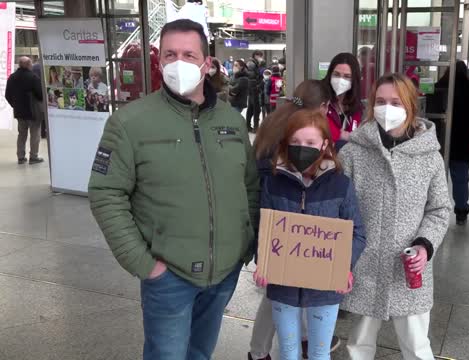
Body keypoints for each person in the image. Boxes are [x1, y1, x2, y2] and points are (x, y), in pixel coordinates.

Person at [88, 19, 260, 360]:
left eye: (189, 54)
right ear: (160, 61)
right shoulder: (129, 122)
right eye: (170, 54)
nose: (178, 62)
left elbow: (250, 186)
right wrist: (144, 262)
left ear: (207, 64)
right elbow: (105, 193)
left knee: (200, 354)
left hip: (224, 272)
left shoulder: (231, 121)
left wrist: (245, 245)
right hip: (169, 277)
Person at [339, 74, 451, 359]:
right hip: (365, 266)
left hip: (409, 269)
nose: (386, 109)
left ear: (411, 106)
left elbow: (439, 209)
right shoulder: (354, 153)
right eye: (379, 102)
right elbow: (340, 208)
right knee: (358, 344)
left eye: (395, 102)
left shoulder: (429, 156)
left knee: (416, 345)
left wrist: (425, 246)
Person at [254, 109, 367, 360]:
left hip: (325, 287)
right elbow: (264, 228)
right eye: (295, 142)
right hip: (283, 285)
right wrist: (262, 262)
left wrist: (344, 265)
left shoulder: (341, 184)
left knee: (318, 352)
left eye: (310, 143)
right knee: (288, 351)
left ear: (325, 144)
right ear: (285, 144)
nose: (302, 148)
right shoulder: (273, 183)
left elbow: (357, 232)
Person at [249, 80, 338, 360]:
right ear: (323, 107)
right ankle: (259, 350)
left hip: (269, 215)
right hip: (281, 218)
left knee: (282, 290)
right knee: (277, 292)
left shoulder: (276, 119)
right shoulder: (295, 130)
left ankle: (290, 341)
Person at [436, 60, 469, 225]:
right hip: (462, 141)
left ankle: (434, 212)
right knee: (461, 179)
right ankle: (461, 210)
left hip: (439, 139)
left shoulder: (438, 88)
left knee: (435, 179)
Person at [4, 56, 44, 165]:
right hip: (33, 111)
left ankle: (21, 157)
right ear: (28, 65)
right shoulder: (33, 77)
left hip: (19, 112)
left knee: (21, 134)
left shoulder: (12, 77)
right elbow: (40, 94)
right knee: (35, 134)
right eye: (30, 63)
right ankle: (33, 157)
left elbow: (7, 95)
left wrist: (15, 105)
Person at [321, 53, 363, 150]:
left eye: (347, 76)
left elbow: (357, 133)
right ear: (330, 74)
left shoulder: (356, 104)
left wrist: (349, 136)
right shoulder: (321, 98)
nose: (341, 80)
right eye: (336, 74)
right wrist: (341, 135)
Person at [246, 51, 266, 132]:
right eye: (260, 56)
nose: (261, 57)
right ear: (255, 55)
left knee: (251, 107)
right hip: (254, 89)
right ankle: (255, 127)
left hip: (252, 89)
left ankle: (248, 126)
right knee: (256, 108)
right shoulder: (252, 64)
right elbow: (253, 77)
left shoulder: (252, 63)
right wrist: (257, 87)